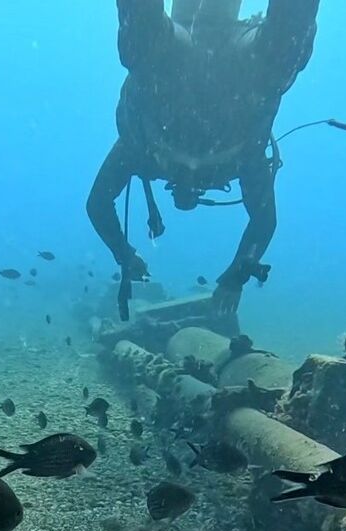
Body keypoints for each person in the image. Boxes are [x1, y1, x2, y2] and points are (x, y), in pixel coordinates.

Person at [87, 0, 321, 320]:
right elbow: (264, 221)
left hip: (189, 60)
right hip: (215, 63)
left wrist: (125, 255)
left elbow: (98, 204)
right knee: (278, 51)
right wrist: (234, 278)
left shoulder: (141, 150)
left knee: (279, 49)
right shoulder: (240, 159)